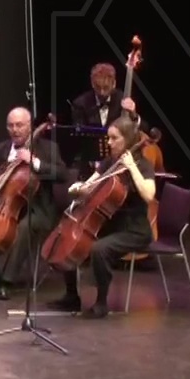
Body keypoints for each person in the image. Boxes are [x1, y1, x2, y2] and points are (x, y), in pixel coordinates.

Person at [48, 116, 157, 318]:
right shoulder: (109, 162)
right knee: (71, 239)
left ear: (129, 140)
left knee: (99, 249)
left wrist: (131, 167)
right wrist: (79, 189)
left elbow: (149, 195)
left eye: (114, 138)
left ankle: (101, 303)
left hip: (134, 229)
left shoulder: (143, 166)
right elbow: (91, 185)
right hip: (112, 223)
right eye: (109, 138)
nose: (108, 142)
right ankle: (72, 296)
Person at [0, 107, 65, 299]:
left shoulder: (48, 148)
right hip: (8, 204)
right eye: (10, 125)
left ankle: (7, 280)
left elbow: (62, 174)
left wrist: (35, 162)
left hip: (38, 209)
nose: (15, 130)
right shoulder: (1, 149)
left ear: (30, 126)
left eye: (19, 125)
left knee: (24, 227)